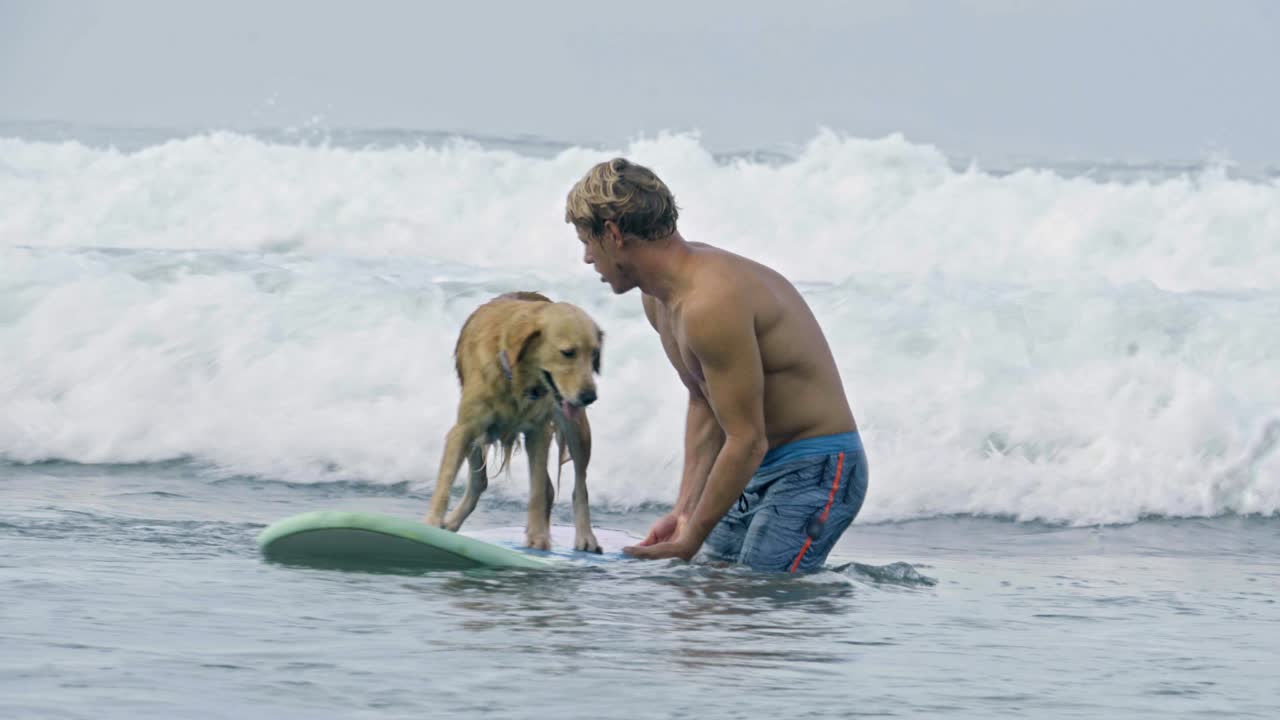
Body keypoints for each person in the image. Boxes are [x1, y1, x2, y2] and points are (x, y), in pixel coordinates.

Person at [563, 158, 870, 573]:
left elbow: (747, 439)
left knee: (759, 591)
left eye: (587, 241)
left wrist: (690, 541)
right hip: (756, 466)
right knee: (710, 586)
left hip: (817, 467)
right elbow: (703, 401)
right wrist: (684, 513)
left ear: (614, 234)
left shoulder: (709, 304)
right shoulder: (658, 297)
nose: (586, 258)